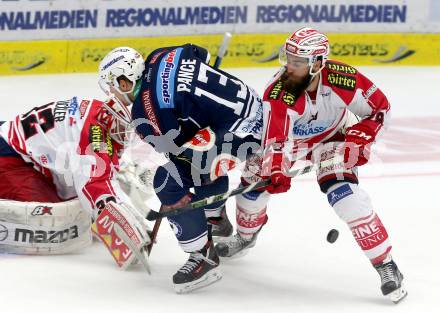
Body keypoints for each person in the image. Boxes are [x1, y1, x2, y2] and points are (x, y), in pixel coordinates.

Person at [215, 27, 407, 303]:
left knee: (346, 198)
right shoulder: (279, 91)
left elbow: (380, 109)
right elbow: (276, 139)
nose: (289, 67)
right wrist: (277, 168)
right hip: (291, 143)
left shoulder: (344, 79)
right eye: (288, 58)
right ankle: (246, 236)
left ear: (318, 63)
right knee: (252, 189)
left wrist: (362, 136)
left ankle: (386, 265)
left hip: (333, 139)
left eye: (297, 62)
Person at [99, 45, 263, 293]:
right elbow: (202, 54)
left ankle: (202, 255)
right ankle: (215, 218)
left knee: (169, 180)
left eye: (113, 88)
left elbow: (175, 153)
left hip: (245, 133)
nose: (114, 95)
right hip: (255, 108)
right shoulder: (160, 55)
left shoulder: (145, 110)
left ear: (124, 81)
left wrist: (173, 201)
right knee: (200, 151)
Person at [0, 74, 151, 270]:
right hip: (9, 156)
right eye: (122, 128)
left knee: (71, 198)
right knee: (51, 218)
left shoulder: (97, 111)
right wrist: (122, 224)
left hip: (21, 148)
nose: (124, 134)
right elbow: (92, 184)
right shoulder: (96, 134)